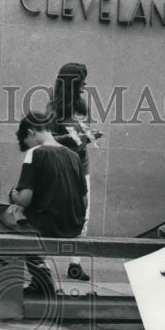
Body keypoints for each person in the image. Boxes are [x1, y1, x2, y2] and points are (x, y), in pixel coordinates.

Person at [0, 112, 87, 296]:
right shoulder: (74, 156)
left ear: (31, 133)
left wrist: (12, 194)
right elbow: (84, 200)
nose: (27, 147)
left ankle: (39, 271)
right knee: (21, 218)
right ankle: (38, 276)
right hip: (72, 226)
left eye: (26, 142)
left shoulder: (35, 153)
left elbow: (24, 199)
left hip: (45, 226)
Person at [46, 62, 102, 281]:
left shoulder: (81, 106)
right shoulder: (54, 108)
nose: (85, 84)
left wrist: (89, 136)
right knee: (51, 216)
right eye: (82, 79)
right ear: (71, 81)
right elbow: (49, 141)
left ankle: (75, 264)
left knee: (84, 217)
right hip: (60, 171)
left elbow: (83, 134)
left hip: (81, 168)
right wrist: (73, 139)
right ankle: (42, 264)